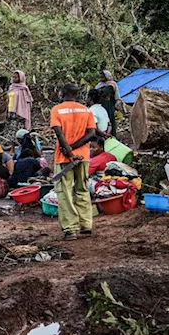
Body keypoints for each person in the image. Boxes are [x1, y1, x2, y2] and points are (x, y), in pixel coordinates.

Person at [50, 83, 99, 240]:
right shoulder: (86, 110)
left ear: (63, 93)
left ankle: (70, 229)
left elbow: (59, 133)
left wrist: (69, 151)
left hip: (64, 158)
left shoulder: (57, 110)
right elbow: (92, 133)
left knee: (64, 192)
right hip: (83, 156)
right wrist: (76, 148)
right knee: (82, 189)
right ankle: (86, 225)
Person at [97, 70, 120, 137]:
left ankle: (112, 135)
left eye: (103, 76)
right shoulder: (99, 85)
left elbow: (117, 95)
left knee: (110, 119)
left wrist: (117, 102)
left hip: (109, 105)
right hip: (101, 105)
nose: (101, 77)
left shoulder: (112, 84)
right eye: (101, 76)